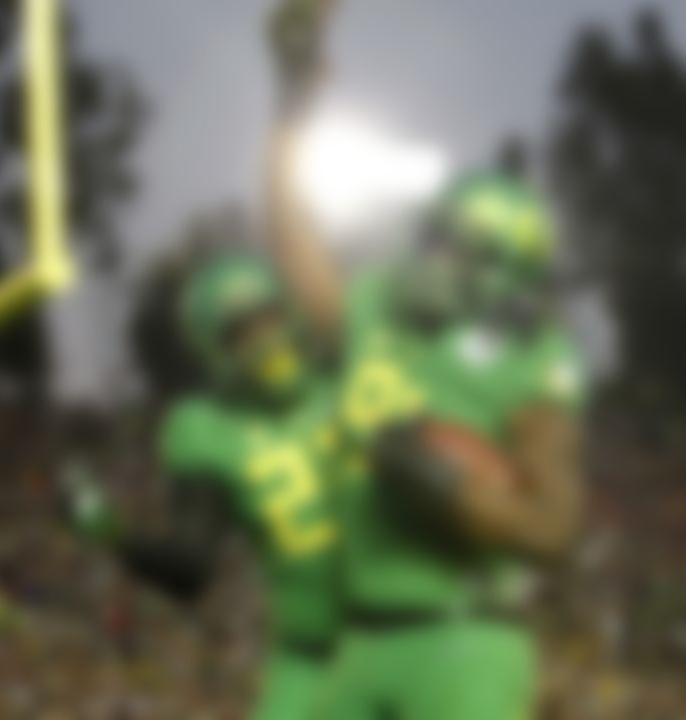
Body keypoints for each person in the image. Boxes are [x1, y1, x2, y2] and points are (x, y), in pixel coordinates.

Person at [265, 2, 587, 717]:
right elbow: (293, 243)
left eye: (455, 246)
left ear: (500, 267)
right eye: (431, 237)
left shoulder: (532, 352)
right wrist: (291, 104)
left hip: (464, 638)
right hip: (361, 640)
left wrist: (448, 489)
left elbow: (554, 525)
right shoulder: (377, 305)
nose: (431, 257)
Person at [64, 256, 344, 720]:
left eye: (270, 318)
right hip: (311, 658)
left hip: (416, 635)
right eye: (242, 331)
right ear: (216, 351)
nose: (268, 338)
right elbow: (190, 567)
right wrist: (104, 525)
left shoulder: (351, 380)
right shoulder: (210, 429)